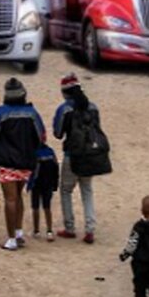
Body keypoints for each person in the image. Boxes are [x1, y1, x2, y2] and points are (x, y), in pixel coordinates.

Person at [0, 77, 46, 251]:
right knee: (19, 197)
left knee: (10, 199)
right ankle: (19, 232)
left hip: (6, 163)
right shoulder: (32, 113)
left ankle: (11, 239)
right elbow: (42, 136)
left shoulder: (0, 113)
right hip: (27, 162)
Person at [52, 72, 100, 243]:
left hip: (71, 155)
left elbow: (58, 133)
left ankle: (70, 227)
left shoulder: (64, 109)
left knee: (66, 190)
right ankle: (90, 229)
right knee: (87, 191)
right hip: (90, 155)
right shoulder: (93, 107)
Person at [28, 143, 59, 241]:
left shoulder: (33, 152)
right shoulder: (50, 152)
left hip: (36, 183)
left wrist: (29, 184)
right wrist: (55, 184)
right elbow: (56, 167)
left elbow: (31, 170)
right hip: (48, 183)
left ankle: (36, 230)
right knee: (47, 207)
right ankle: (49, 231)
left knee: (35, 207)